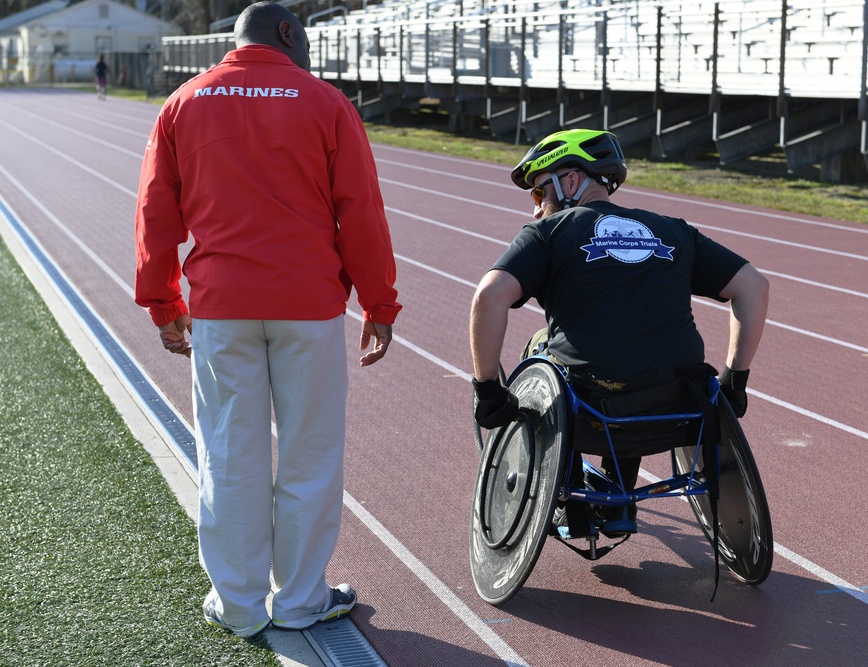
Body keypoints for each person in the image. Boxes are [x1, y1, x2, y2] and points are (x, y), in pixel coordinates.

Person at [134, 1, 401, 639]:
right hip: (307, 309)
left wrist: (163, 302)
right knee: (310, 454)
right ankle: (301, 600)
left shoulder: (184, 102)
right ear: (287, 31)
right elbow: (359, 210)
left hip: (222, 308)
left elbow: (155, 211)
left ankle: (238, 605)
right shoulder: (326, 103)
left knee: (229, 454)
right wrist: (379, 301)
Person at [469, 128, 768, 535]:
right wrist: (735, 379)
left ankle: (567, 495)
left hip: (590, 414)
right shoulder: (675, 230)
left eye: (540, 193)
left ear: (570, 180)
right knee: (640, 358)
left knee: (541, 347)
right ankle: (619, 504)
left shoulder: (546, 235)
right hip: (676, 409)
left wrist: (488, 390)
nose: (537, 209)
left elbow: (489, 298)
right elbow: (754, 285)